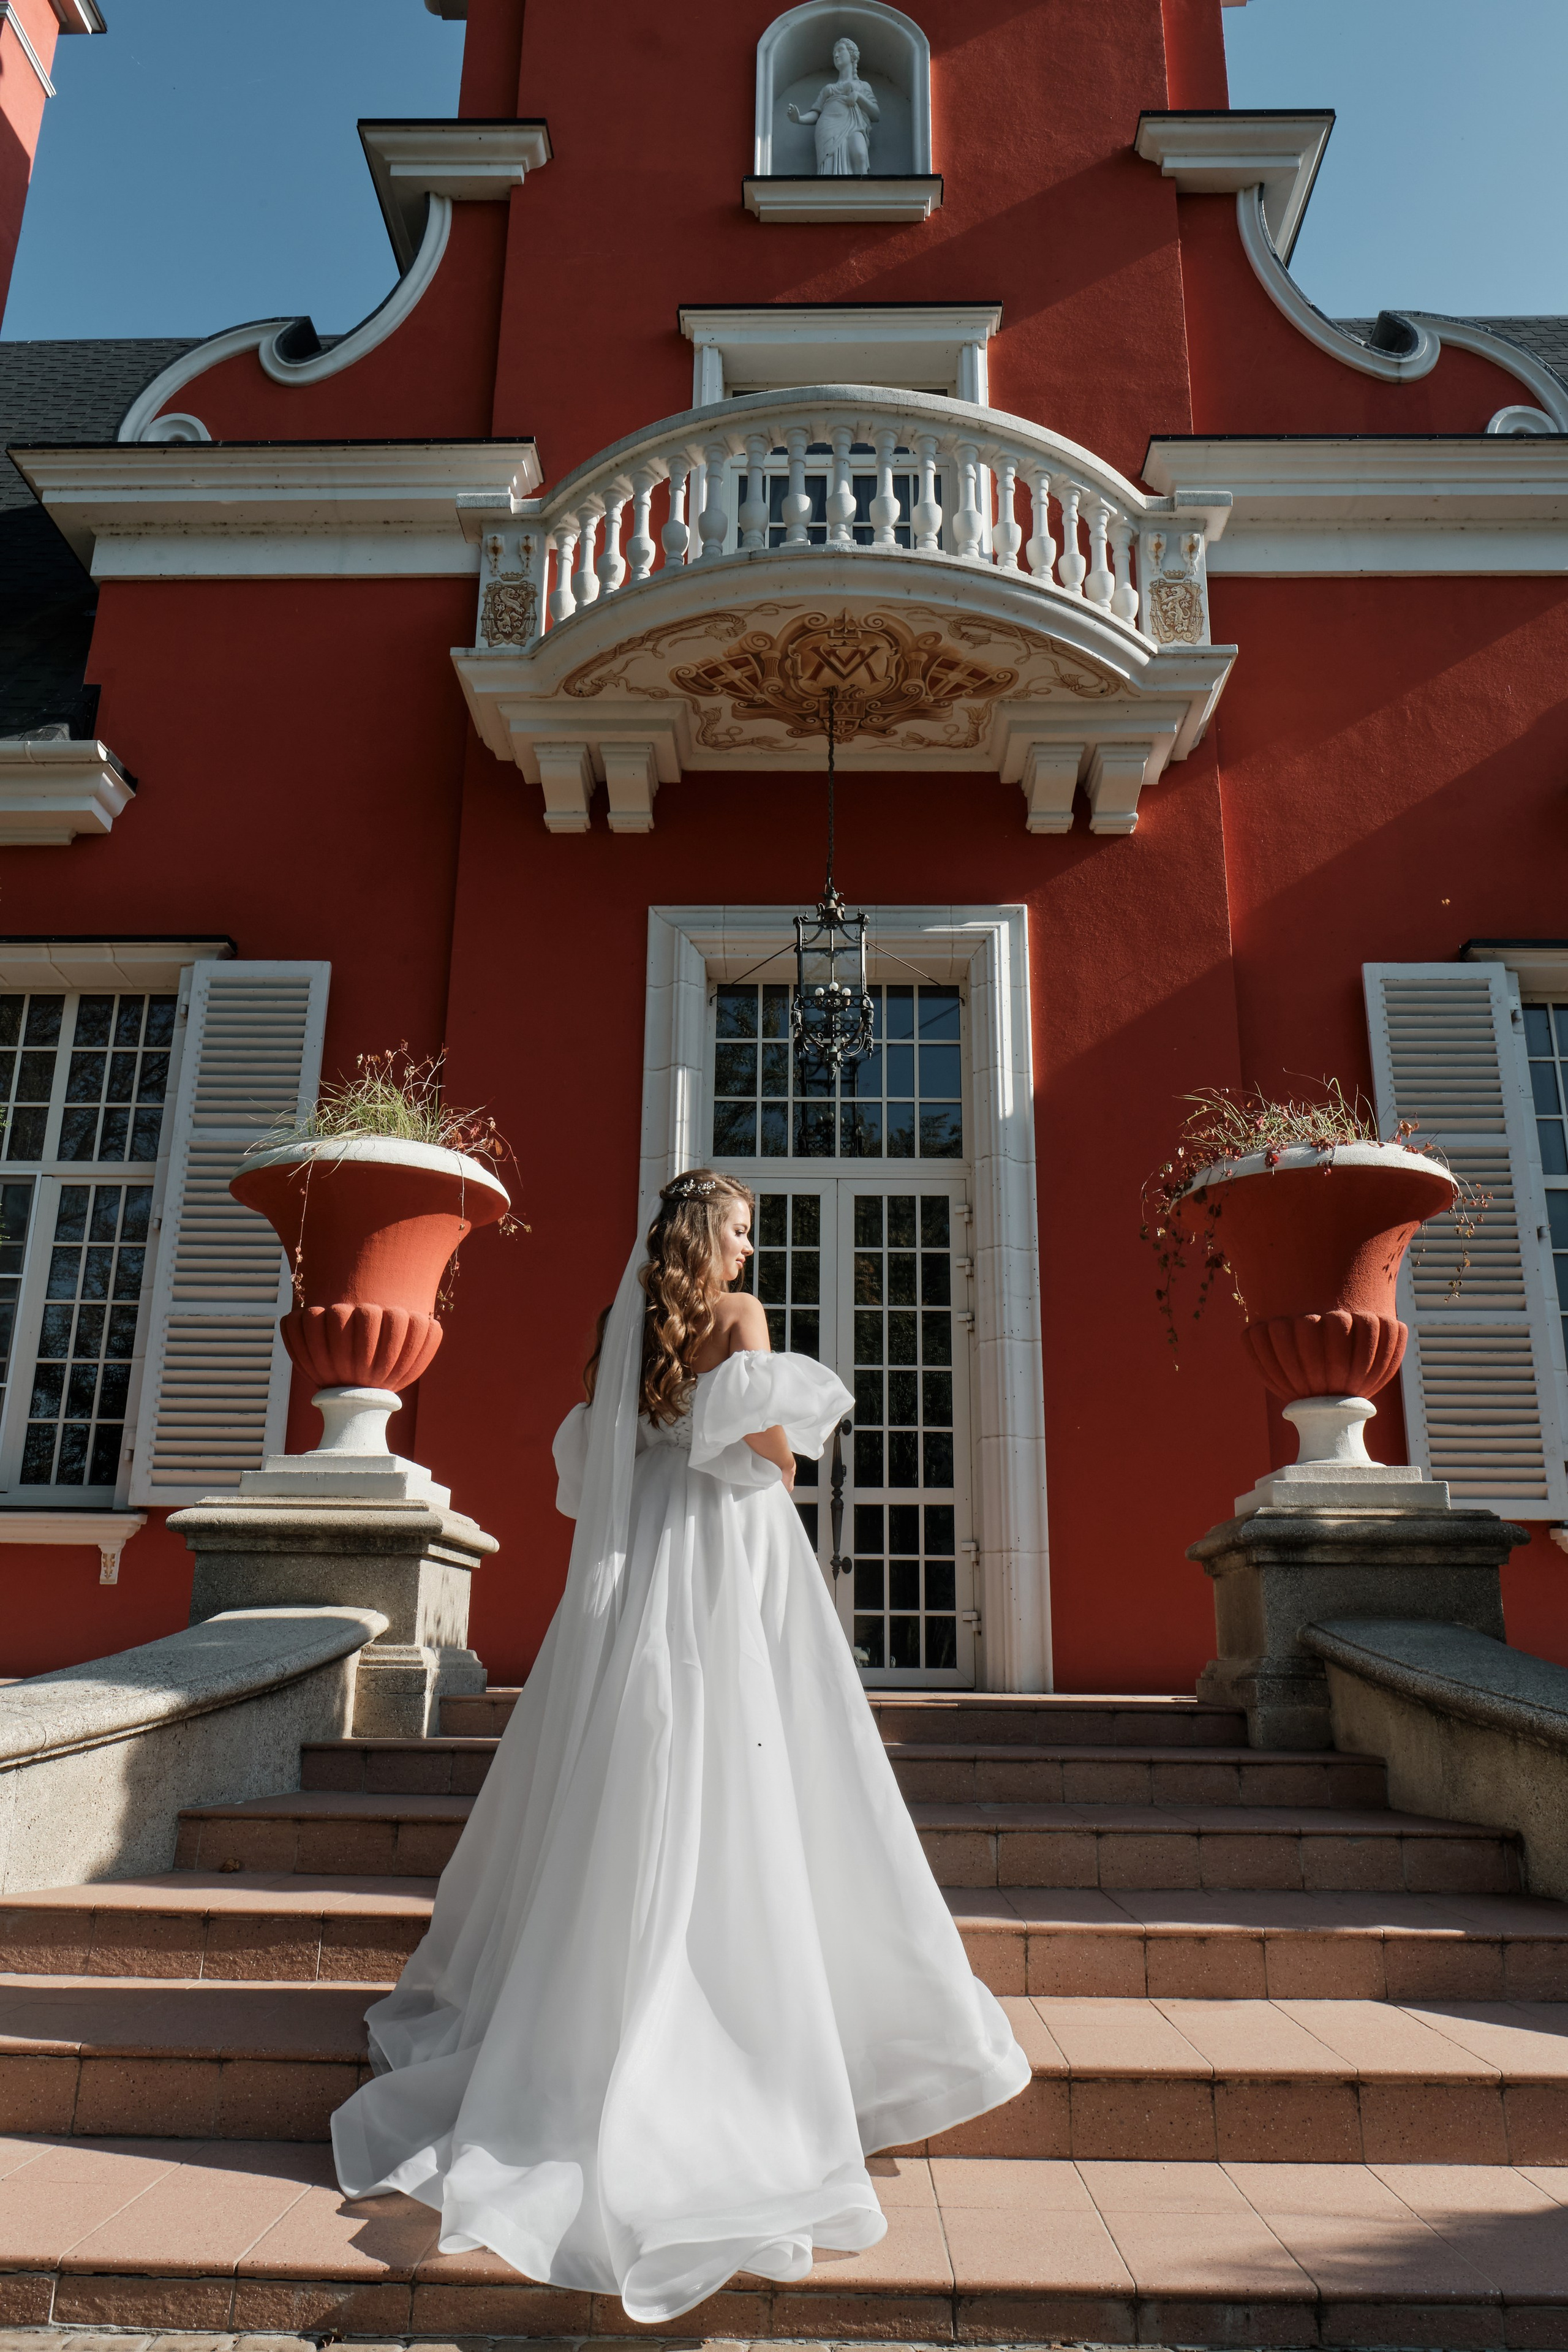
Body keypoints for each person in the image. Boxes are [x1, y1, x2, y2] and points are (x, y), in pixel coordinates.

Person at [331, 1169, 1028, 2324]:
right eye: (747, 1231)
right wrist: (784, 1447)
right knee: (761, 1759)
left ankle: (585, 2011)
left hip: (643, 1552)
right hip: (729, 1549)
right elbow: (769, 1453)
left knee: (634, 1755)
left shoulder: (625, 1323)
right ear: (714, 1232)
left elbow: (598, 1458)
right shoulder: (741, 1320)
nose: (753, 1253)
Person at [787, 37, 880, 176]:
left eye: (840, 51)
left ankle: (862, 194)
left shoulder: (863, 86)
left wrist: (859, 97)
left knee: (860, 154)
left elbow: (876, 115)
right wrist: (799, 118)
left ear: (852, 55)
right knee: (830, 166)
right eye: (834, 53)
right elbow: (816, 113)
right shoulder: (828, 89)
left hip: (855, 125)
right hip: (828, 129)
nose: (836, 55)